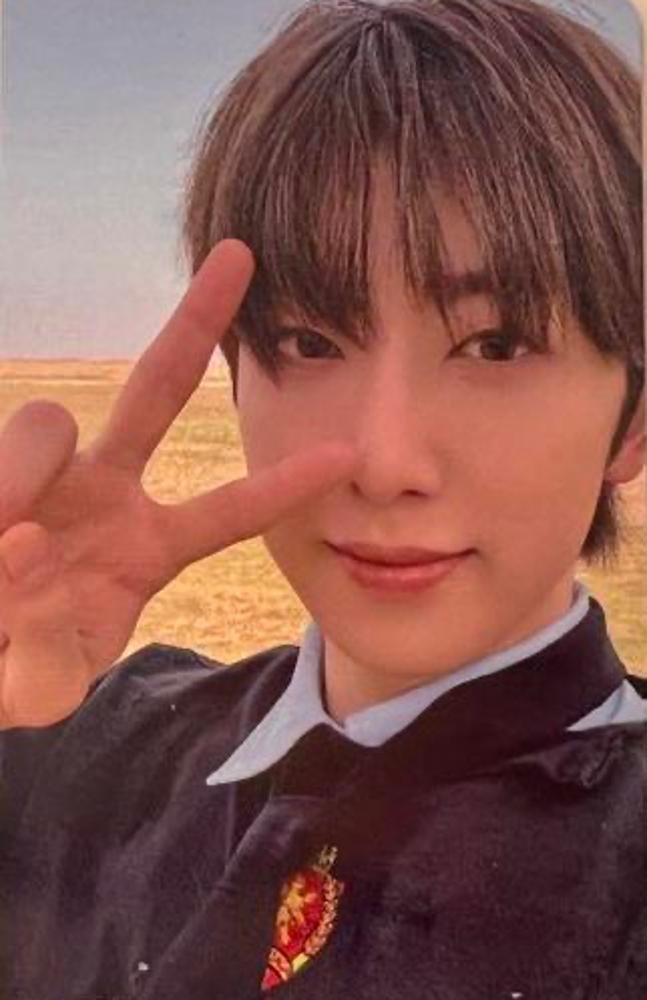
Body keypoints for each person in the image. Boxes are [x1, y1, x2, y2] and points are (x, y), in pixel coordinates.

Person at [1, 0, 646, 997]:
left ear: (632, 416)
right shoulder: (83, 740)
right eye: (309, 341)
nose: (383, 464)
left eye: (495, 344)